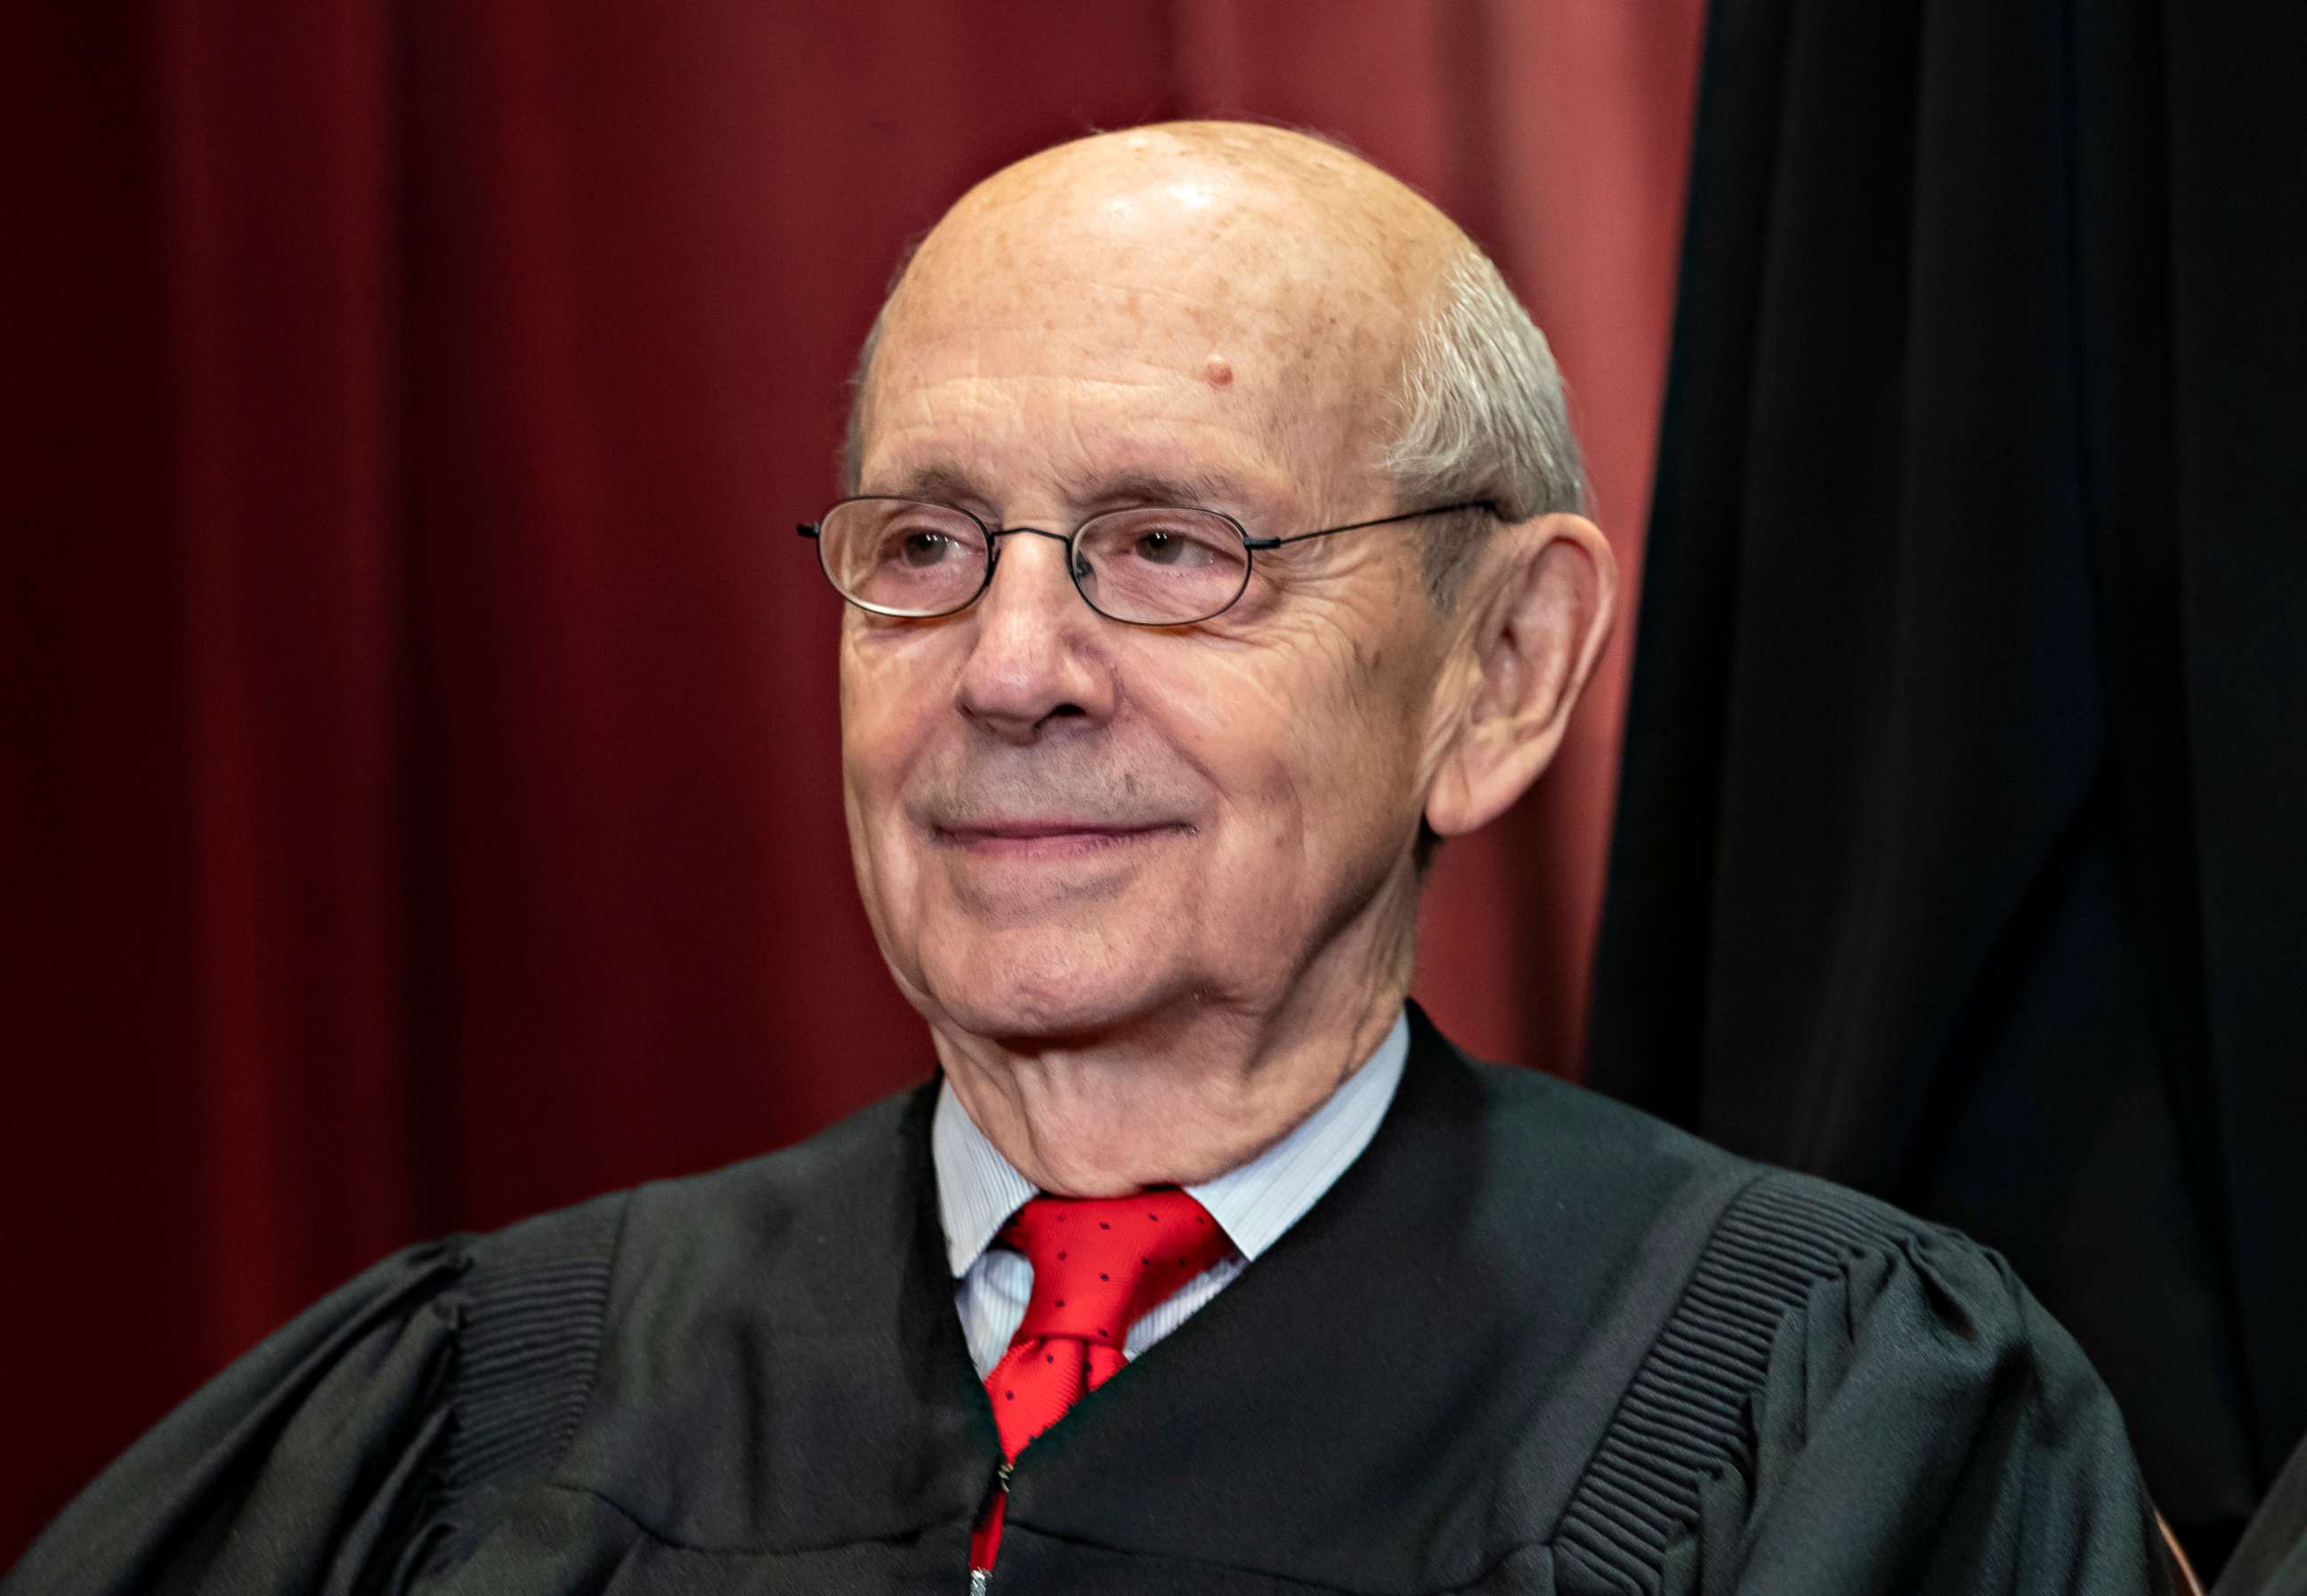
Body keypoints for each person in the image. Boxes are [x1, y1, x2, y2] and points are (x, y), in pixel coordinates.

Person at [4, 121, 2180, 1595]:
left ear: (1500, 669)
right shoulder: (476, 1416)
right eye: (925, 546)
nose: (1010, 664)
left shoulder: (1822, 1422)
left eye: (1170, 546)